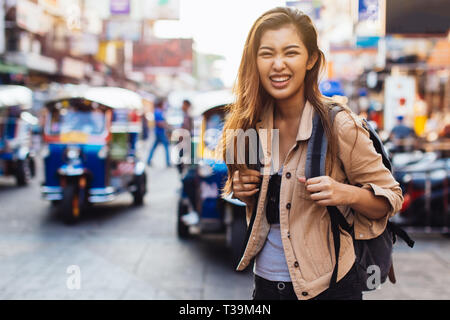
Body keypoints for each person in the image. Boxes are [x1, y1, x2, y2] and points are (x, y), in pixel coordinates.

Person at [221, 7, 403, 300]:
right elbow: (246, 192)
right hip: (265, 285)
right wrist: (241, 190)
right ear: (254, 61)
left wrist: (345, 193)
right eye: (266, 53)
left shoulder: (339, 124)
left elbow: (391, 198)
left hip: (329, 288)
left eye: (290, 52)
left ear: (311, 59)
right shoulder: (247, 124)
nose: (278, 64)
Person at [147, 98, 171, 167]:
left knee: (154, 147)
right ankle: (168, 162)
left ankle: (148, 160)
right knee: (166, 147)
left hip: (159, 132)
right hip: (160, 133)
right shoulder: (158, 112)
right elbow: (159, 123)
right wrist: (167, 126)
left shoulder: (159, 112)